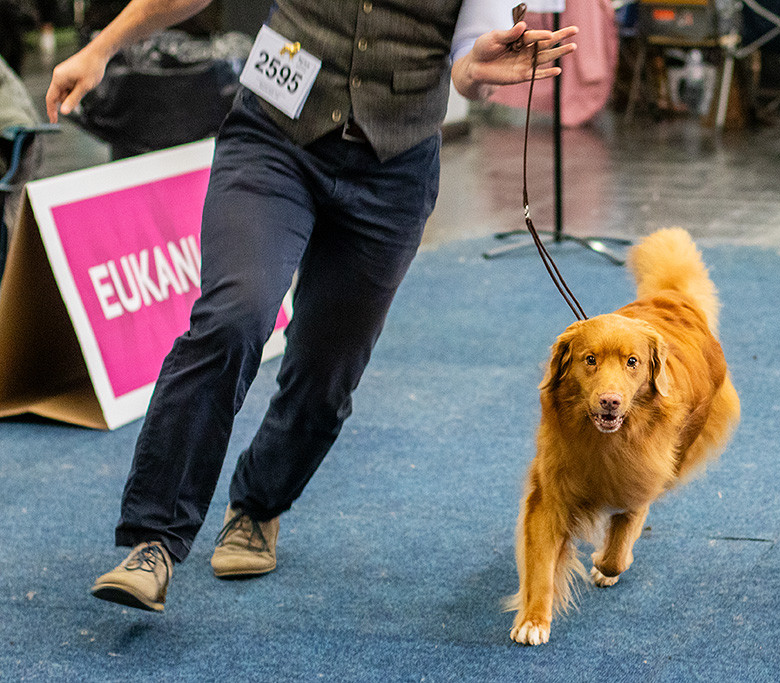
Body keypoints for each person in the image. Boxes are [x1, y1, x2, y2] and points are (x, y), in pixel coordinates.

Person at [46, 0, 577, 613]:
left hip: (393, 166)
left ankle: (259, 504)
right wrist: (100, 48)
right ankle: (153, 540)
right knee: (233, 317)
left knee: (328, 370)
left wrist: (477, 65)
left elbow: (466, 54)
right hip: (274, 140)